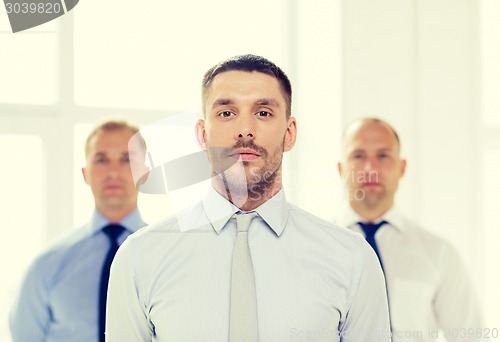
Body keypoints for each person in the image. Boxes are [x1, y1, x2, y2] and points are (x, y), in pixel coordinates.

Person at [106, 55, 391, 342]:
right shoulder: (139, 259)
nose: (245, 130)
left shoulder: (352, 259)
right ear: (203, 134)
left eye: (263, 112)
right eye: (227, 113)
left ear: (289, 134)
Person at [336, 117, 484, 341]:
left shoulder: (439, 253)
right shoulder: (315, 249)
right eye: (358, 156)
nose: (371, 168)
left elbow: (472, 337)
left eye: (383, 156)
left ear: (402, 167)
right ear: (341, 169)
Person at [10, 119, 149, 342]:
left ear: (144, 174)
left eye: (127, 159)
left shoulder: (168, 258)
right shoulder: (46, 265)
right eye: (102, 159)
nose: (113, 171)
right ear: (86, 173)